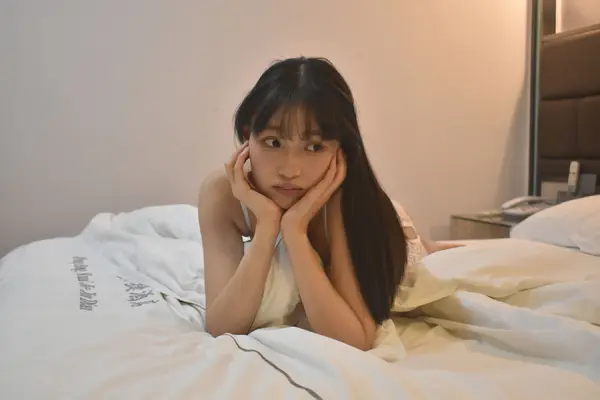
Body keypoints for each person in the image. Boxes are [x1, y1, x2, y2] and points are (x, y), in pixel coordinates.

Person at [197, 56, 458, 351]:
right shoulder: (222, 193)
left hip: (388, 230)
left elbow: (356, 338)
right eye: (274, 142)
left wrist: (295, 232)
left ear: (340, 150)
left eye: (314, 147)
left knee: (430, 251)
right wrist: (268, 226)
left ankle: (438, 245)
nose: (290, 170)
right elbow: (221, 326)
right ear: (248, 135)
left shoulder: (342, 202)